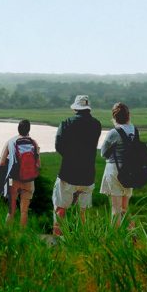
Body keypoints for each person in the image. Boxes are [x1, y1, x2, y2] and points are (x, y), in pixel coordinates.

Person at [51, 95, 102, 236]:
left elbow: (58, 146)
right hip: (88, 175)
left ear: (75, 108)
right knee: (83, 212)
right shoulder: (97, 124)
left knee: (60, 209)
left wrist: (70, 157)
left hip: (68, 173)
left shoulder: (66, 123)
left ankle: (57, 240)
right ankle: (82, 241)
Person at [0, 119, 41, 228]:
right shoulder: (34, 143)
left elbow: (2, 162)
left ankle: (7, 233)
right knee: (24, 211)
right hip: (29, 180)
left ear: (18, 129)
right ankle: (22, 235)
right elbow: (38, 165)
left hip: (14, 179)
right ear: (29, 130)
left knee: (11, 211)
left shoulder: (10, 141)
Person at [100, 102, 136, 227]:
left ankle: (115, 239)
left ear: (114, 117)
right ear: (128, 116)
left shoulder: (113, 132)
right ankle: (132, 236)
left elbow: (103, 153)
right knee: (125, 208)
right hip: (130, 170)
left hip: (115, 169)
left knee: (116, 209)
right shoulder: (134, 130)